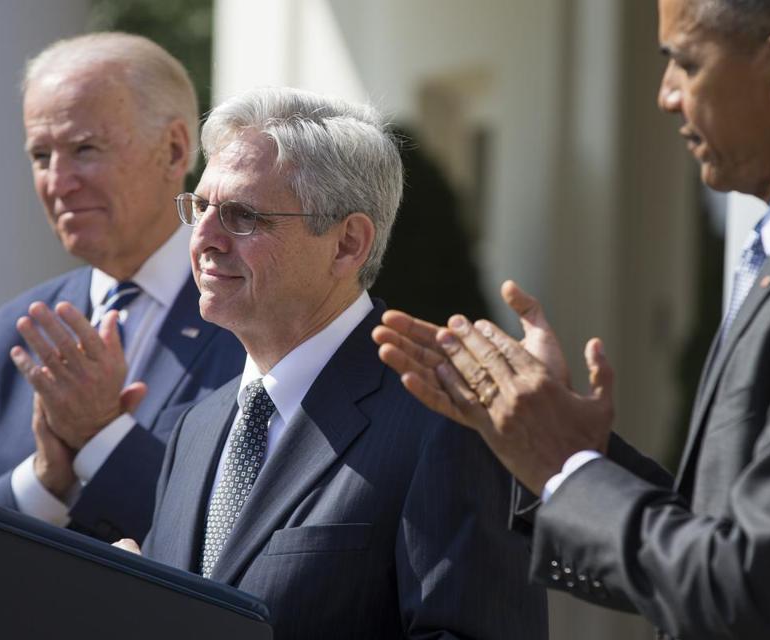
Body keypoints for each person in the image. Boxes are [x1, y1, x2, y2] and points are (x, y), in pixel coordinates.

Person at [373, 0, 770, 638]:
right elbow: (722, 545)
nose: (665, 95)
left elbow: (760, 600)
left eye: (685, 64)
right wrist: (572, 457)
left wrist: (564, 467)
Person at [110, 87, 547, 639]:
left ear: (347, 244)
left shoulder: (446, 417)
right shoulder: (197, 428)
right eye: (200, 208)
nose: (205, 239)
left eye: (241, 216)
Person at [0, 32, 245, 543]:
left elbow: (237, 539)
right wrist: (43, 483)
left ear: (174, 149)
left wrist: (100, 435)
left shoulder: (251, 315)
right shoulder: (12, 330)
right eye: (40, 156)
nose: (58, 181)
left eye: (84, 148)